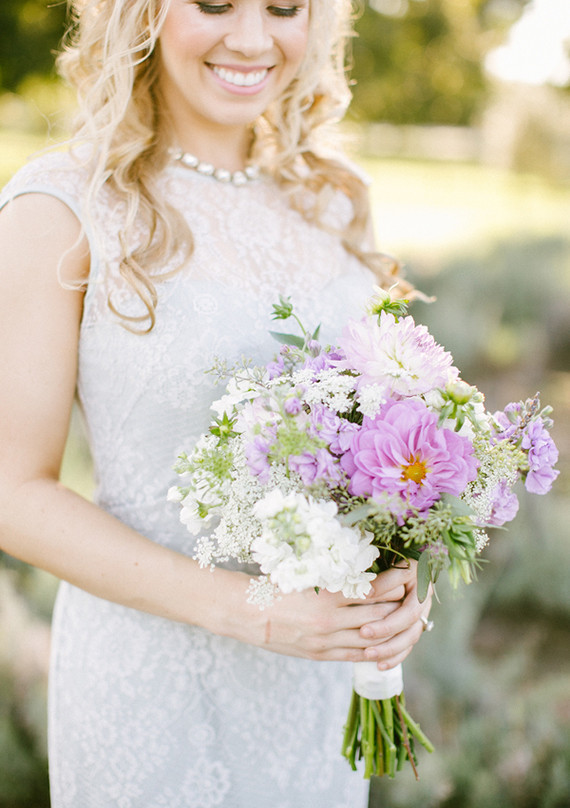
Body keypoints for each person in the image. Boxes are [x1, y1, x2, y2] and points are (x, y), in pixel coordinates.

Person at [0, 1, 432, 805]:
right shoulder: (61, 206)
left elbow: (373, 438)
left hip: (315, 688)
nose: (253, 38)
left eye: (284, 7)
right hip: (150, 687)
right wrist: (256, 613)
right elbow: (11, 491)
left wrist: (401, 573)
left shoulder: (335, 200)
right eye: (213, 3)